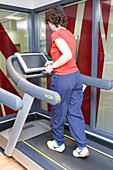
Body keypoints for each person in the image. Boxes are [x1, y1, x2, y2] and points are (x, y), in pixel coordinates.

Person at [45, 7, 89, 158]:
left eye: (48, 23)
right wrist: (53, 61)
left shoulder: (56, 34)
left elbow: (67, 54)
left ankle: (58, 143)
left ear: (51, 21)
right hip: (75, 76)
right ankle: (82, 147)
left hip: (63, 78)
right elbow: (68, 56)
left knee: (58, 110)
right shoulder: (69, 34)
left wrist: (52, 66)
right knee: (74, 111)